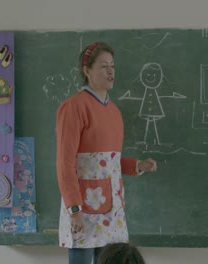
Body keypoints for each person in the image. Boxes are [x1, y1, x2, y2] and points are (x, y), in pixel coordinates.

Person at [56, 41, 157, 264]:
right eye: (103, 66)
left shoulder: (114, 112)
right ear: (87, 70)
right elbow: (65, 163)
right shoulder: (74, 107)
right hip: (82, 208)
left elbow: (109, 163)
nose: (110, 71)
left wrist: (137, 166)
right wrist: (74, 209)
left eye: (112, 66)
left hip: (112, 208)